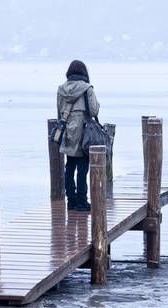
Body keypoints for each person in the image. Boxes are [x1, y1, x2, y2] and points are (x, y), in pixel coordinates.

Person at [57, 60, 100, 211]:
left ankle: (71, 201)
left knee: (70, 166)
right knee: (83, 167)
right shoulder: (87, 88)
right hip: (83, 132)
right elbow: (94, 111)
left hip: (68, 131)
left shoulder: (61, 89)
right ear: (84, 72)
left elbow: (59, 113)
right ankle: (82, 202)